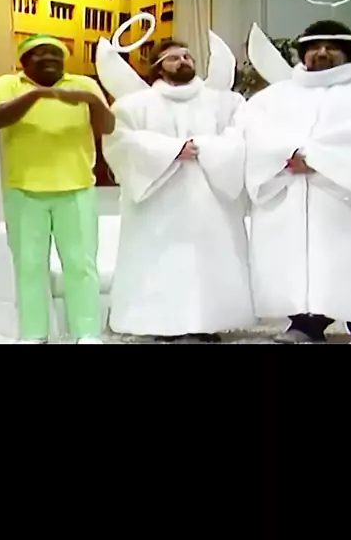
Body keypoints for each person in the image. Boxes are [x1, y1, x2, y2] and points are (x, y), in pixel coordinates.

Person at [101, 38, 253, 341]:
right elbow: (120, 141)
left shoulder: (224, 102)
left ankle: (208, 323)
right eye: (174, 58)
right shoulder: (133, 105)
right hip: (156, 202)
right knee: (161, 263)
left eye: (187, 56)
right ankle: (163, 325)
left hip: (211, 200)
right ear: (158, 68)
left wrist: (205, 147)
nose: (183, 61)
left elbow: (241, 135)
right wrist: (171, 151)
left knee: (209, 261)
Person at [242, 19, 351, 344]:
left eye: (331, 47)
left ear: (348, 52)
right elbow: (253, 129)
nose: (321, 53)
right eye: (314, 47)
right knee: (299, 264)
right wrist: (287, 154)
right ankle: (306, 325)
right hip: (291, 190)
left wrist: (316, 157)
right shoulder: (276, 95)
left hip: (349, 198)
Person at [0, 35, 115, 345]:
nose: (50, 58)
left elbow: (108, 127)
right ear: (23, 61)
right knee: (29, 265)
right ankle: (34, 334)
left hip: (78, 187)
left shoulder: (83, 84)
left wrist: (90, 100)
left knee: (81, 264)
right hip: (23, 190)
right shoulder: (7, 84)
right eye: (40, 53)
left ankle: (87, 334)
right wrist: (38, 95)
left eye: (56, 53)